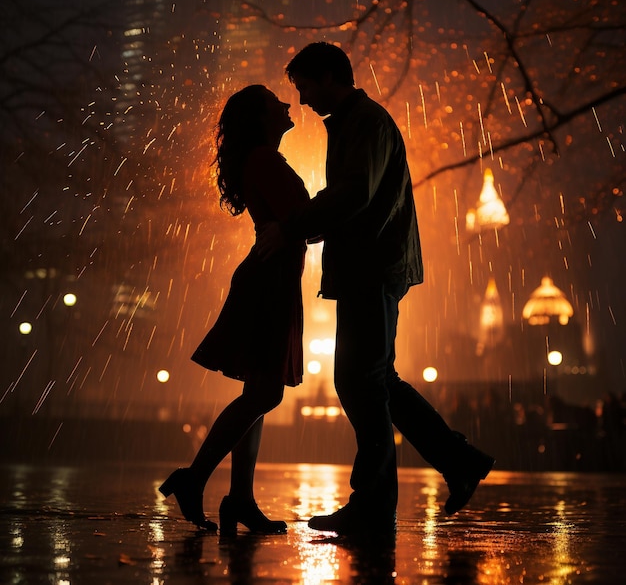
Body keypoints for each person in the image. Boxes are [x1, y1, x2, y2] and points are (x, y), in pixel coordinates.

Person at [257, 42, 494, 537]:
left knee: (359, 382)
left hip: (371, 266)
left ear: (327, 77)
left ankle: (375, 501)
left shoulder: (363, 122)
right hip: (375, 264)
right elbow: (353, 194)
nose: (301, 101)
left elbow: (353, 193)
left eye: (303, 87)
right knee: (377, 380)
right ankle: (456, 460)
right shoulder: (358, 121)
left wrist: (297, 224)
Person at [160, 85, 310, 534]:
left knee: (257, 394)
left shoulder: (262, 160)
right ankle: (194, 478)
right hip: (269, 282)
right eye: (274, 103)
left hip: (271, 279)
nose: (285, 105)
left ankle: (240, 499)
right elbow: (304, 218)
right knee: (266, 394)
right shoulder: (265, 161)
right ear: (261, 119)